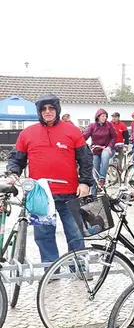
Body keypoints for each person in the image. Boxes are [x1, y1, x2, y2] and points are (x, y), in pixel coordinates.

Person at [7, 94, 92, 264]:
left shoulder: (72, 130)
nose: (48, 112)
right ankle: (50, 269)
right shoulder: (27, 133)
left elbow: (86, 159)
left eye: (51, 108)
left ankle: (80, 267)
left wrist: (85, 182)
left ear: (57, 109)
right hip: (40, 195)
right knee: (44, 235)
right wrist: (12, 173)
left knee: (75, 232)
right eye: (43, 109)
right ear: (39, 111)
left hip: (70, 193)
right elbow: (16, 158)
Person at [82, 108, 117, 193]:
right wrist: (79, 142)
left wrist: (109, 147)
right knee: (94, 171)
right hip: (96, 150)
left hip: (107, 149)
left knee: (105, 155)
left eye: (106, 116)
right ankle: (93, 194)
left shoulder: (109, 125)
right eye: (103, 116)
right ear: (98, 117)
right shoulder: (92, 126)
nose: (105, 118)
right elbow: (85, 136)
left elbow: (114, 137)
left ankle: (102, 178)